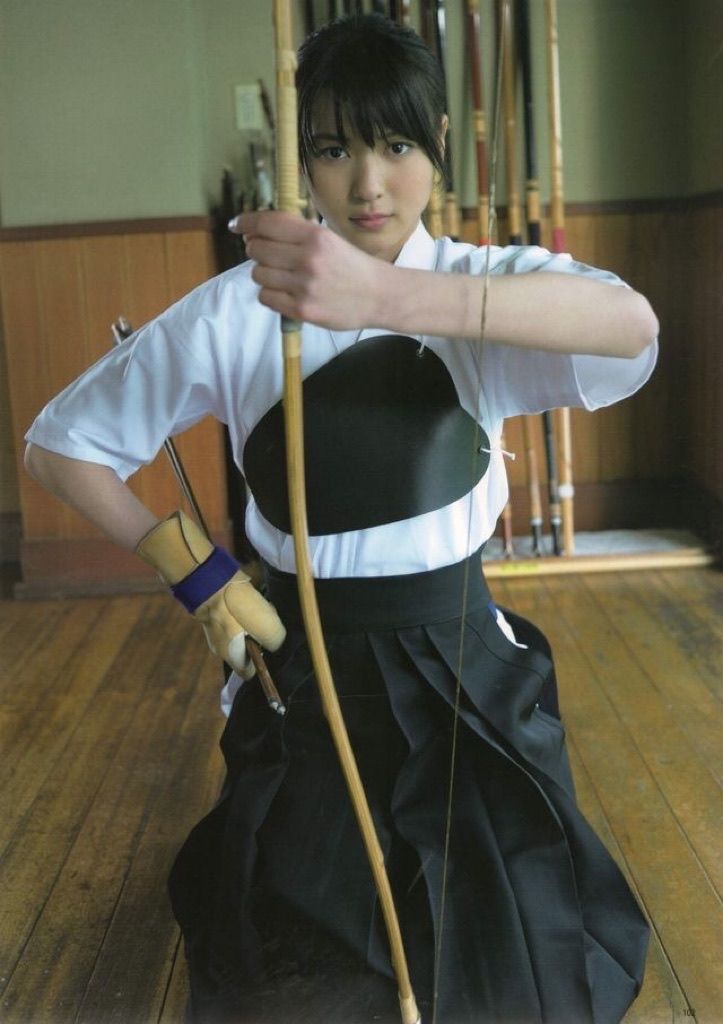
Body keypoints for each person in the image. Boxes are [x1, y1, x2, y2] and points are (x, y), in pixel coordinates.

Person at [24, 13, 658, 1024]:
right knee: (304, 980)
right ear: (299, 161)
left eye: (396, 143)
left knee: (505, 968)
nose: (368, 183)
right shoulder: (240, 308)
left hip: (459, 666)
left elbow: (632, 331)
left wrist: (389, 296)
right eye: (332, 148)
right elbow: (61, 443)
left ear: (438, 141)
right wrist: (197, 573)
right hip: (307, 665)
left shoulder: (481, 284)